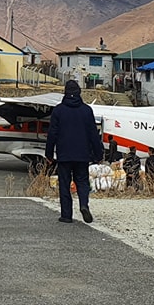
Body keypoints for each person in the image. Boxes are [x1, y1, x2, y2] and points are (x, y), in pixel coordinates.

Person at [45, 80, 102, 223]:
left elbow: (52, 134)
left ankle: (66, 215)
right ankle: (83, 205)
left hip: (64, 154)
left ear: (65, 92)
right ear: (79, 93)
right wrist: (98, 154)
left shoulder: (58, 110)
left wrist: (49, 154)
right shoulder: (87, 110)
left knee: (64, 183)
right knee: (82, 182)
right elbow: (93, 134)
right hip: (82, 154)